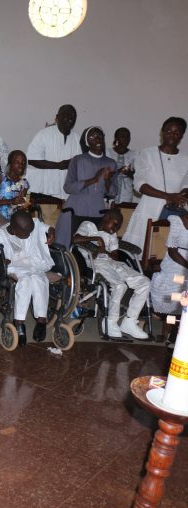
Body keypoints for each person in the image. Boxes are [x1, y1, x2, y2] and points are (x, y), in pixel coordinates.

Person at [73, 208, 150, 339]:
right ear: (106, 218)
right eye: (114, 224)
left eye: (118, 226)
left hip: (112, 263)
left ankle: (130, 322)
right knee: (120, 286)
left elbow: (114, 255)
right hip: (95, 263)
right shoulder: (88, 225)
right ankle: (110, 321)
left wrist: (104, 251)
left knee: (145, 282)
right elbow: (75, 239)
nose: (115, 228)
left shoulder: (112, 235)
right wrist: (97, 239)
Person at [0, 210, 56, 346]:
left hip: (34, 265)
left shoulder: (31, 226)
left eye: (29, 232)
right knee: (25, 283)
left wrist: (51, 232)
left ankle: (41, 320)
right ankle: (19, 322)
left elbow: (45, 227)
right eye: (25, 234)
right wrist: (3, 260)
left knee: (40, 280)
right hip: (16, 268)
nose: (28, 236)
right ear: (14, 230)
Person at [122, 117, 188, 249]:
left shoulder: (186, 158)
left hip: (176, 211)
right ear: (162, 132)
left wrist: (180, 197)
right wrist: (169, 196)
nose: (172, 134)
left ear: (181, 135)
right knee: (143, 253)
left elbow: (187, 184)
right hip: (149, 210)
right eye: (169, 130)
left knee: (169, 253)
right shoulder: (146, 154)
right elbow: (139, 184)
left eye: (177, 132)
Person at [55, 126, 117, 249]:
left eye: (100, 136)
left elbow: (113, 192)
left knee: (93, 250)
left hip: (98, 211)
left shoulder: (111, 163)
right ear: (87, 142)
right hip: (75, 209)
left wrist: (107, 180)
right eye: (92, 137)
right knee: (68, 247)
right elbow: (68, 187)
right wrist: (93, 180)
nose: (97, 139)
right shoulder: (77, 160)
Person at [26, 104, 81, 200]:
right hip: (46, 192)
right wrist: (58, 165)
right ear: (57, 117)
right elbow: (32, 159)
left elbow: (81, 164)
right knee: (47, 215)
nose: (69, 118)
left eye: (73, 116)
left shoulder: (77, 138)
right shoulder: (44, 134)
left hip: (69, 194)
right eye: (66, 115)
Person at [150, 215, 188, 345]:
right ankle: (167, 332)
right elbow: (172, 251)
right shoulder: (178, 221)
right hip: (176, 263)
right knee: (176, 289)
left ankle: (180, 330)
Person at [106, 127, 137, 204]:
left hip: (126, 195)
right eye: (122, 136)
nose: (126, 139)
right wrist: (118, 171)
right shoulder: (107, 152)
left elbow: (139, 176)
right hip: (108, 192)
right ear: (116, 138)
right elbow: (103, 174)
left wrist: (130, 173)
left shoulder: (135, 154)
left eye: (128, 137)